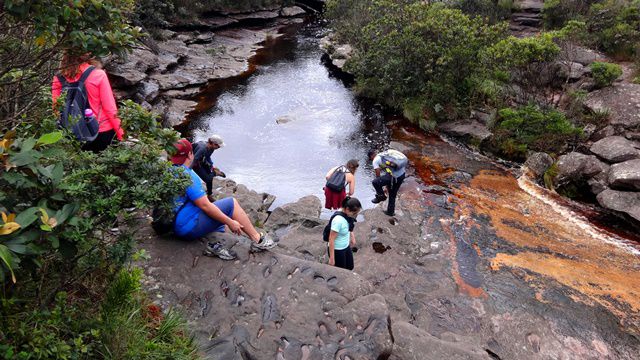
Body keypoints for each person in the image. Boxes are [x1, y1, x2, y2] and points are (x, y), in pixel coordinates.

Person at [171, 139, 276, 260]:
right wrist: (230, 222)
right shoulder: (187, 175)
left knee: (220, 223)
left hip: (174, 224)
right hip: (186, 228)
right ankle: (258, 240)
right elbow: (205, 206)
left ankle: (214, 243)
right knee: (231, 204)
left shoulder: (168, 169)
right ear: (190, 154)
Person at [52, 52, 124, 152]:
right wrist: (121, 134)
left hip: (73, 134)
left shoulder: (59, 78)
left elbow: (56, 109)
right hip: (101, 131)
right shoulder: (98, 74)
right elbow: (110, 109)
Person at [368, 149, 407, 216]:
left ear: (371, 156)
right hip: (401, 175)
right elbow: (388, 170)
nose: (371, 160)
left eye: (370, 159)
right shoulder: (385, 156)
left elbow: (378, 174)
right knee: (392, 194)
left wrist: (380, 185)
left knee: (375, 182)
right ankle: (390, 212)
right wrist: (386, 186)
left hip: (394, 177)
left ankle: (381, 196)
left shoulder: (375, 160)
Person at [327, 197, 361, 271]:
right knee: (341, 270)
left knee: (350, 267)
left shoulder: (346, 213)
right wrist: (332, 259)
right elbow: (331, 239)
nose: (355, 215)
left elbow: (349, 225)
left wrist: (352, 237)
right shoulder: (338, 221)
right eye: (354, 213)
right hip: (338, 249)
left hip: (346, 246)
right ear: (347, 209)